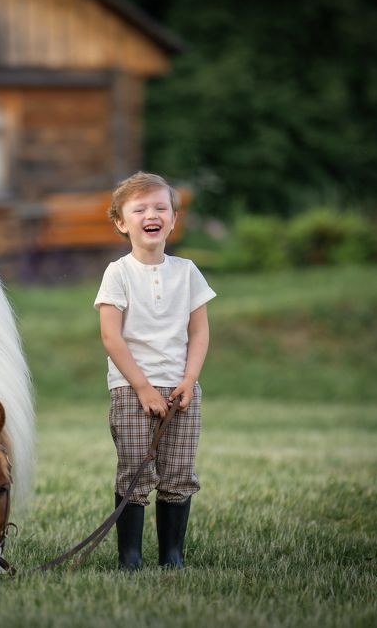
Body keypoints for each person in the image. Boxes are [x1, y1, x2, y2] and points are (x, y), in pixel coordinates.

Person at [93, 172, 216, 570]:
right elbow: (112, 338)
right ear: (121, 222)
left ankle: (172, 555)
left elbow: (199, 331)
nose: (152, 214)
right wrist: (143, 388)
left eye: (161, 207)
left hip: (181, 387)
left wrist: (190, 379)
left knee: (179, 471)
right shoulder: (118, 273)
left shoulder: (188, 271)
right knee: (136, 469)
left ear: (173, 220)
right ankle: (130, 556)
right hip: (133, 389)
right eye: (140, 208)